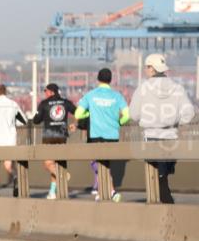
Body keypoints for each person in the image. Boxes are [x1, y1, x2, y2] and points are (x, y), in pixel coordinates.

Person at [130, 53, 197, 204]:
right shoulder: (177, 88)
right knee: (163, 178)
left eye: (147, 67)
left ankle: (164, 212)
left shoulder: (143, 88)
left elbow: (133, 114)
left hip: (151, 138)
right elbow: (189, 113)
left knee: (155, 179)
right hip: (171, 138)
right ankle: (165, 208)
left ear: (152, 69)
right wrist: (175, 121)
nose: (146, 70)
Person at [75, 68, 129, 201]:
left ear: (98, 79)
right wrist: (119, 122)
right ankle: (107, 191)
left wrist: (89, 113)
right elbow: (127, 115)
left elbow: (77, 114)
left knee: (100, 164)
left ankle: (109, 191)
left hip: (96, 135)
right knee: (106, 164)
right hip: (112, 135)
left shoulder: (91, 95)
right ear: (111, 80)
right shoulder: (117, 96)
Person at [32, 83, 77, 199]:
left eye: (45, 91)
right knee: (57, 163)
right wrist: (75, 124)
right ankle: (52, 192)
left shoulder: (44, 104)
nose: (44, 93)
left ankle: (63, 176)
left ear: (51, 92)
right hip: (62, 136)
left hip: (49, 137)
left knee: (48, 163)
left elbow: (36, 121)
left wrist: (39, 114)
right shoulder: (65, 102)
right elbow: (78, 112)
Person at [0, 85, 27, 197]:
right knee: (8, 166)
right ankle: (15, 177)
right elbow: (24, 120)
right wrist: (12, 124)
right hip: (10, 139)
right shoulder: (13, 104)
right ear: (5, 92)